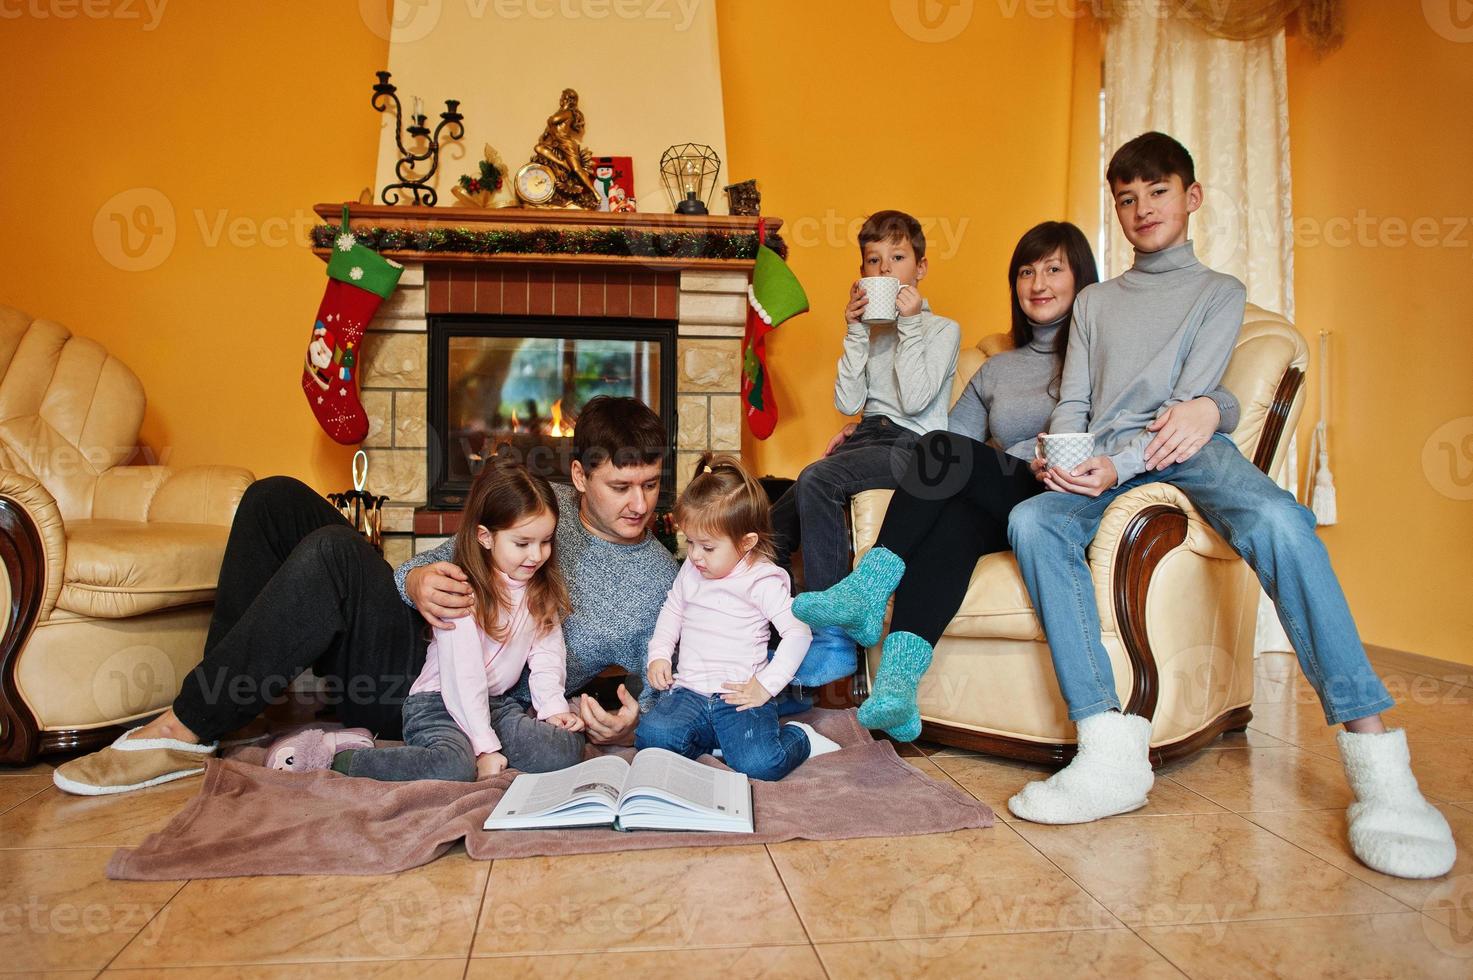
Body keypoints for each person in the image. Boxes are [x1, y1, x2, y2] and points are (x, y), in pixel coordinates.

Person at [1002, 132, 1455, 881]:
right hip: (1103, 462)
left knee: (1280, 520)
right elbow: (1076, 399)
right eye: (1125, 198)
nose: (1141, 209)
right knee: (1029, 520)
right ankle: (1108, 752)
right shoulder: (1093, 303)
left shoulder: (1219, 294)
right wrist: (1066, 457)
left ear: (1191, 196)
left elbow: (1189, 406)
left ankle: (1379, 772)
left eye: (1156, 192)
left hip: (1188, 447)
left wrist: (1205, 410)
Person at [54, 396, 674, 795]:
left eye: (650, 484)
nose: (640, 505)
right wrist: (414, 580)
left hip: (442, 696)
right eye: (621, 486)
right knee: (274, 499)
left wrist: (629, 721)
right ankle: (221, 706)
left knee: (332, 550)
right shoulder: (538, 505)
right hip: (427, 640)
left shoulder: (657, 577)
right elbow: (431, 563)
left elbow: (671, 677)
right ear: (578, 476)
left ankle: (181, 727)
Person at [793, 221, 1239, 741]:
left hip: (1071, 498)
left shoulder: (1105, 355)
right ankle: (896, 689)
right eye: (1026, 271)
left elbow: (1160, 411)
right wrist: (865, 430)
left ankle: (868, 590)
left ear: (1082, 280)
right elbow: (940, 443)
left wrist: (1218, 407)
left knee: (945, 466)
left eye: (1054, 269)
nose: (1038, 283)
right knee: (950, 517)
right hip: (1007, 492)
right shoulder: (996, 368)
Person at [266, 458, 586, 780]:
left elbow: (547, 655)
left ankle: (490, 739)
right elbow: (463, 678)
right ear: (485, 537)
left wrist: (553, 709)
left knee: (564, 748)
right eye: (522, 543)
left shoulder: (540, 591)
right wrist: (485, 748)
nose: (536, 555)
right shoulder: (460, 592)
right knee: (454, 766)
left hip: (492, 703)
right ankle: (341, 758)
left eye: (545, 542)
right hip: (438, 703)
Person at [769, 209, 961, 689]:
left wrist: (911, 325)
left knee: (818, 477)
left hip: (918, 445)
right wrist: (855, 330)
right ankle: (770, 641)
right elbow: (848, 401)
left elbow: (916, 400)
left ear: (920, 267)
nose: (885, 270)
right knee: (770, 521)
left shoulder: (942, 330)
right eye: (873, 261)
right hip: (870, 435)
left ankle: (833, 641)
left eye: (897, 258)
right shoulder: (870, 329)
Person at [636, 455, 839, 780]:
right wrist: (659, 654)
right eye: (690, 542)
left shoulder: (761, 580)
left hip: (740, 694)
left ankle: (800, 739)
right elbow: (673, 610)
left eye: (707, 547)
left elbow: (798, 634)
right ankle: (720, 743)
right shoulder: (692, 569)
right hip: (689, 692)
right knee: (652, 740)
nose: (695, 556)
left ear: (746, 543)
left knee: (762, 765)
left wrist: (765, 685)